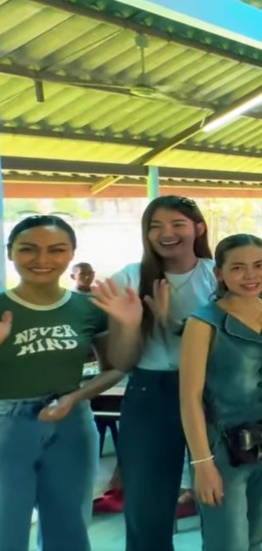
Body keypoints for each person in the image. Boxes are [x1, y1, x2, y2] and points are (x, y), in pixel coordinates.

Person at [0, 216, 131, 551]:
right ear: (10, 253)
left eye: (56, 250)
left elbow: (116, 368)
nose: (42, 259)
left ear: (71, 254)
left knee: (69, 528)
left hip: (71, 423)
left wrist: (77, 397)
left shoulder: (88, 308)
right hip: (6, 427)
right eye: (28, 249)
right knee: (6, 530)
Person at [109, 195, 218, 551]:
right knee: (147, 508)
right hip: (150, 393)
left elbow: (230, 345)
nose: (166, 233)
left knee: (220, 505)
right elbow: (122, 362)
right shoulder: (129, 277)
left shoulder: (218, 275)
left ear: (198, 228)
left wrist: (170, 323)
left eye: (177, 224)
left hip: (213, 393)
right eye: (155, 226)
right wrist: (129, 325)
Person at [179, 234, 262, 550]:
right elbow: (190, 397)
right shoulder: (204, 322)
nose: (250, 276)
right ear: (219, 273)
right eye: (238, 268)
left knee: (258, 535)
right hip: (221, 448)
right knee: (226, 542)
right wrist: (202, 465)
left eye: (259, 265)